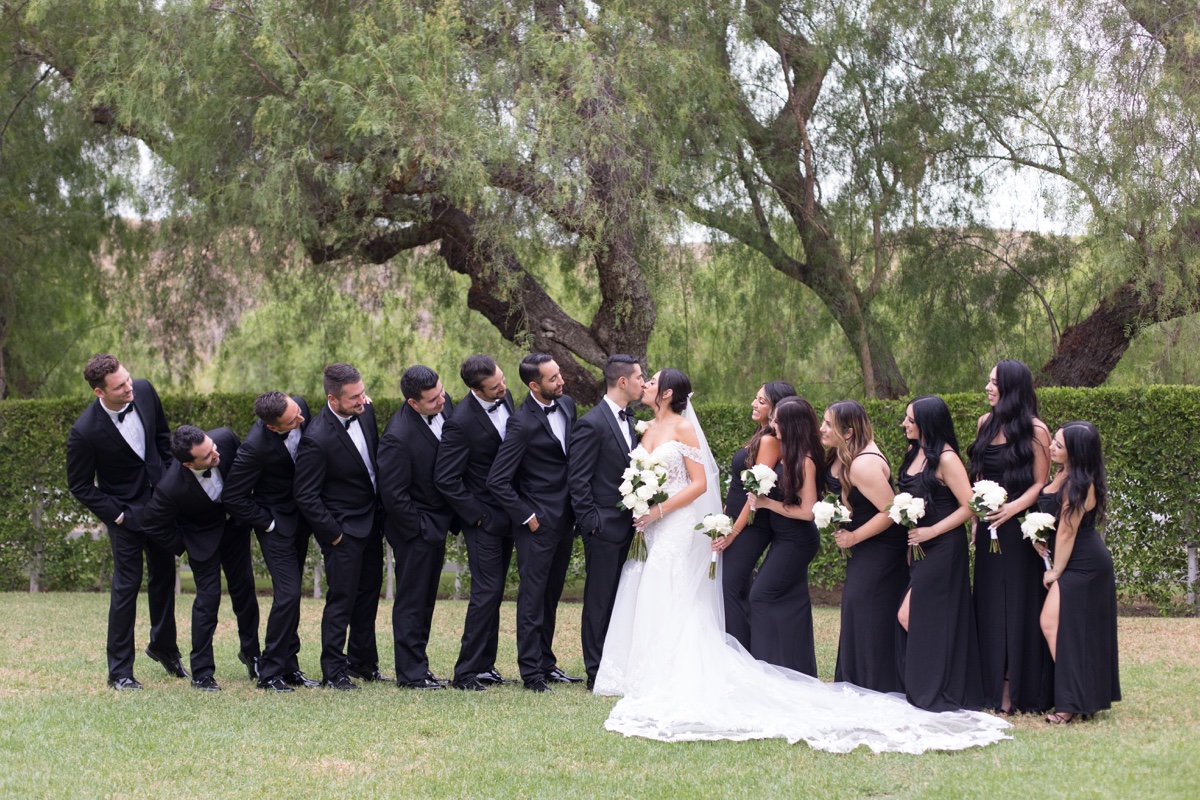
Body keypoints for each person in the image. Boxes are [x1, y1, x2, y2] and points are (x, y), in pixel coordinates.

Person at [595, 369, 1010, 752]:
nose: (768, 419)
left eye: (773, 413)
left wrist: (769, 518)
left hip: (855, 543)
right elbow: (853, 498)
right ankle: (863, 680)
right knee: (846, 608)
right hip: (844, 541)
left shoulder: (831, 459)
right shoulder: (838, 458)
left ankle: (861, 679)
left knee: (799, 600)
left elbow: (863, 508)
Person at [65, 353, 183, 690]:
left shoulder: (144, 391)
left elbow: (163, 437)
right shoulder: (84, 432)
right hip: (125, 517)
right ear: (99, 392)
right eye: (120, 386)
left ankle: (163, 647)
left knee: (164, 578)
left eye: (128, 379)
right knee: (126, 588)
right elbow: (80, 485)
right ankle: (119, 672)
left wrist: (167, 484)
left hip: (160, 509)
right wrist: (117, 514)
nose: (129, 387)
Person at [141, 426, 261, 691]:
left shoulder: (226, 439)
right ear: (187, 463)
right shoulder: (170, 487)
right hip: (201, 542)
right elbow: (152, 524)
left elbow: (247, 471)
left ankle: (253, 655)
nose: (214, 454)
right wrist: (184, 544)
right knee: (207, 603)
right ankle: (202, 673)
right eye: (206, 456)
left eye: (212, 448)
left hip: (235, 530)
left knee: (245, 591)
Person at [488, 353, 581, 692]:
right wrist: (528, 517)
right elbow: (498, 480)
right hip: (537, 525)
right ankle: (531, 673)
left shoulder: (567, 406)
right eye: (553, 378)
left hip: (566, 519)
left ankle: (547, 662)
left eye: (559, 375)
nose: (561, 382)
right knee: (532, 598)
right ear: (534, 385)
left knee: (552, 595)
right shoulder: (521, 422)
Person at [966, 359, 1054, 714]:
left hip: (1019, 531)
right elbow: (979, 477)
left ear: (1012, 388)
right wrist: (977, 516)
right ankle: (989, 686)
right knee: (988, 604)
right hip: (989, 530)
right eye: (987, 381)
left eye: (994, 382)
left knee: (1017, 604)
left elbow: (1040, 483)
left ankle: (1016, 688)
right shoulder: (984, 423)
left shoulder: (1036, 431)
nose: (987, 388)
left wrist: (1012, 509)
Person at [293, 363, 385, 690]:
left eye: (363, 392)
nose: (363, 400)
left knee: (368, 595)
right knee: (342, 600)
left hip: (373, 523)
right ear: (333, 400)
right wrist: (334, 534)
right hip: (343, 533)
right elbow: (305, 494)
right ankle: (333, 671)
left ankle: (363, 662)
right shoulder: (317, 438)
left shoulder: (366, 412)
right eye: (354, 397)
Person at [223, 391, 320, 692]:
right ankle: (270, 672)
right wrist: (268, 522)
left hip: (301, 520)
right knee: (288, 595)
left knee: (293, 596)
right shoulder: (254, 448)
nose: (301, 419)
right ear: (273, 427)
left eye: (298, 412)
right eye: (293, 420)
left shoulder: (299, 406)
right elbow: (232, 497)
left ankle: (290, 667)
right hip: (276, 528)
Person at [896, 396, 984, 711]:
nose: (904, 424)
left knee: (912, 614)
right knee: (917, 616)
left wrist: (932, 532)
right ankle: (925, 682)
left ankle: (939, 686)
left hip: (944, 546)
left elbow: (971, 505)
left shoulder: (946, 458)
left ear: (927, 423)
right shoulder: (913, 452)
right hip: (920, 545)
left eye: (910, 420)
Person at [433, 355, 516, 691]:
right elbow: (446, 479)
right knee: (486, 591)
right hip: (483, 519)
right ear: (475, 389)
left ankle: (486, 665)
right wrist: (479, 515)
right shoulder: (460, 422)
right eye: (495, 386)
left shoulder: (506, 398)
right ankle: (465, 672)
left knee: (495, 591)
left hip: (510, 512)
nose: (504, 387)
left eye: (502, 379)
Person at [728, 396, 823, 676]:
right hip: (783, 537)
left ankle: (766, 669)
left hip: (798, 539)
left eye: (777, 421)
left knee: (760, 595)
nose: (772, 425)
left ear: (792, 425)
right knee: (791, 601)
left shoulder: (805, 461)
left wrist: (768, 503)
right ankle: (793, 667)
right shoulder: (784, 454)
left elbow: (808, 512)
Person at [567, 354, 646, 690]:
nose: (645, 383)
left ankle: (614, 662)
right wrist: (592, 523)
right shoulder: (592, 422)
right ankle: (595, 669)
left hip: (629, 527)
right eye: (641, 377)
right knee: (599, 600)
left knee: (619, 598)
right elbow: (578, 480)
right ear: (623, 382)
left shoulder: (631, 420)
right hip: (602, 527)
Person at [377, 365, 457, 690]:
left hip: (436, 526)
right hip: (414, 532)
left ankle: (420, 667)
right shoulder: (397, 437)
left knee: (426, 600)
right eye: (433, 399)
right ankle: (410, 674)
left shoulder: (443, 403)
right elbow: (394, 496)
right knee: (411, 602)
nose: (442, 400)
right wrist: (421, 529)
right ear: (413, 403)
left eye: (441, 392)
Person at [1038, 422, 1121, 724]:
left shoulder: (1078, 483)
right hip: (1072, 557)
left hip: (1083, 562)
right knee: (1061, 627)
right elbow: (1054, 524)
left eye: (1058, 445)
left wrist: (1055, 571)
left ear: (1076, 451)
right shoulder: (1065, 474)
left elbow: (1068, 532)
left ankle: (1073, 699)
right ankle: (1079, 695)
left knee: (1050, 622)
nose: (1052, 447)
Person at [825, 400, 908, 693]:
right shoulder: (850, 456)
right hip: (867, 543)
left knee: (863, 605)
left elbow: (891, 512)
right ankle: (858, 680)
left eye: (827, 424)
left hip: (882, 545)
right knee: (857, 606)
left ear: (847, 432)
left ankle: (871, 683)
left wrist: (853, 537)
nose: (822, 429)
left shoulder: (864, 463)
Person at [718, 381, 796, 650]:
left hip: (752, 523)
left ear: (778, 408)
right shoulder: (760, 434)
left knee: (728, 585)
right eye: (756, 398)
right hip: (738, 519)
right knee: (733, 586)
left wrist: (734, 532)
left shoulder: (769, 440)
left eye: (762, 401)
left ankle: (739, 654)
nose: (754, 403)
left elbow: (756, 493)